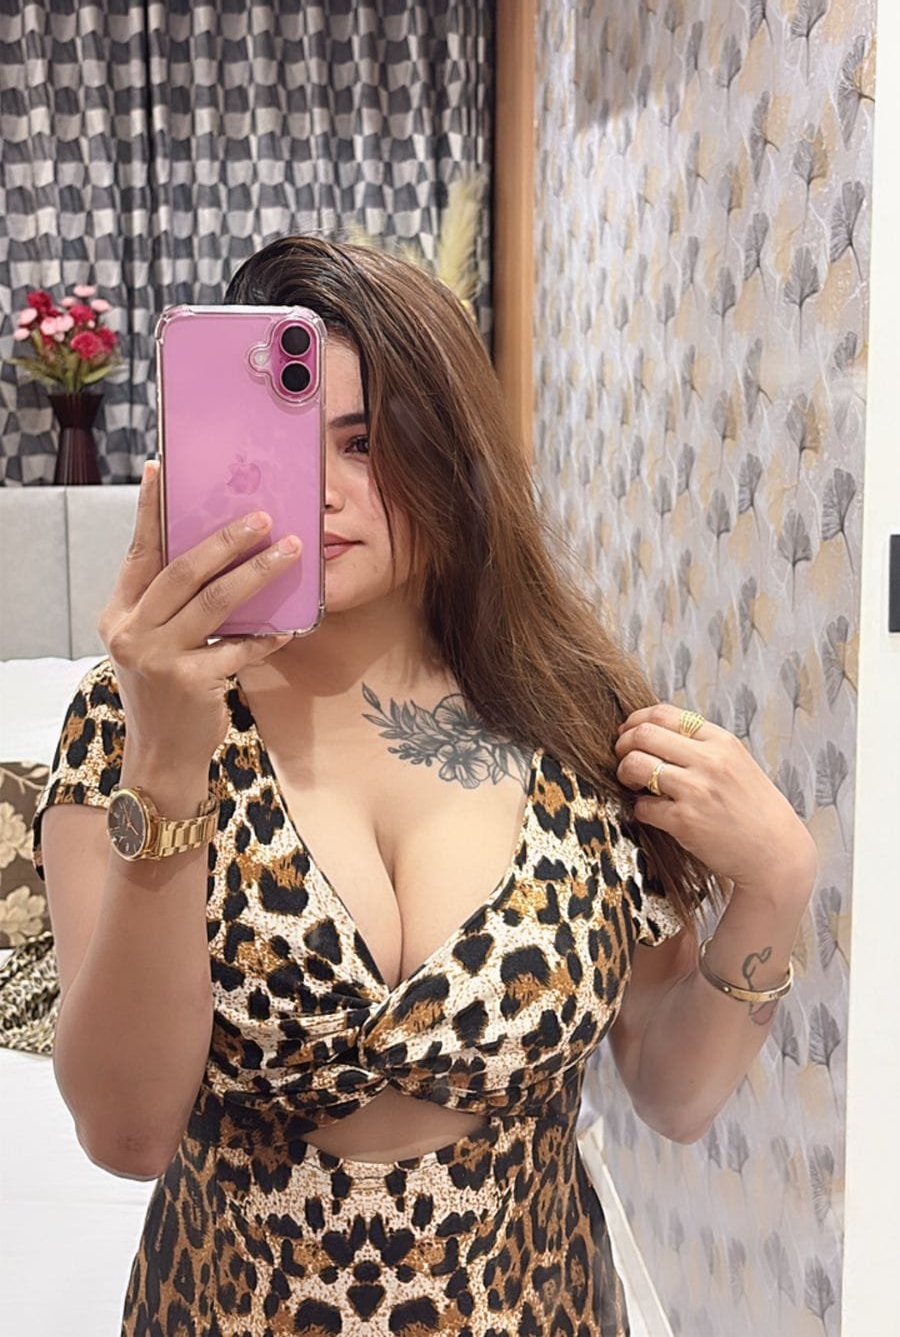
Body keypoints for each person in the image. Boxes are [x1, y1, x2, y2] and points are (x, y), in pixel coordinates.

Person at [30, 235, 805, 1335]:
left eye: (365, 442)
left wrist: (776, 884)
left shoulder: (575, 716)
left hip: (537, 1305)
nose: (321, 491)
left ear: (448, 449)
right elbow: (125, 1134)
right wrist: (166, 761)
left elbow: (674, 1094)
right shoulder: (132, 717)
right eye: (284, 442)